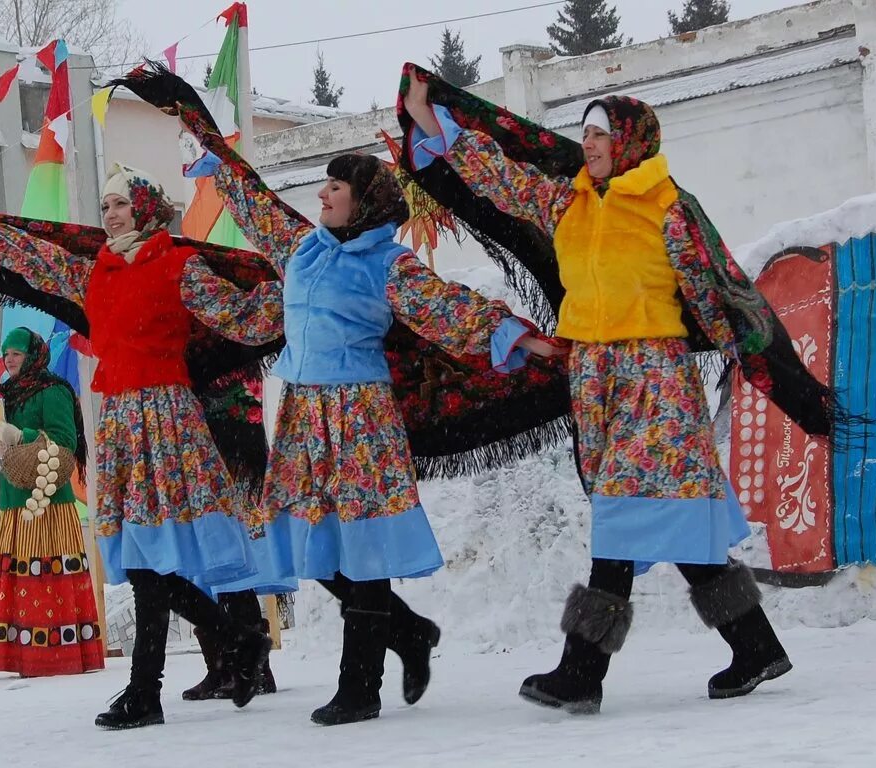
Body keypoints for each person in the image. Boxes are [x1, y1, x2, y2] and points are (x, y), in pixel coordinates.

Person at [117, 64, 565, 726]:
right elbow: (247, 193)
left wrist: (519, 338)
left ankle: (361, 683)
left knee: (359, 547)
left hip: (361, 416)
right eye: (324, 183)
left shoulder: (386, 262)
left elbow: (446, 307)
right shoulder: (302, 249)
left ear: (366, 201)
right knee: (305, 541)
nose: (323, 193)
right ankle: (409, 632)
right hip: (303, 414)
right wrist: (188, 115)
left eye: (336, 185)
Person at [400, 66, 850, 713]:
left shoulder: (666, 208)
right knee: (678, 531)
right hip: (599, 382)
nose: (588, 144)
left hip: (654, 385)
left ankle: (581, 671)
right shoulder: (570, 201)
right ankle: (756, 645)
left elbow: (711, 288)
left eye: (600, 134)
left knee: (619, 519)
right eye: (584, 134)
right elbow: (503, 180)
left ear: (630, 141)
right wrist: (433, 125)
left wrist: (743, 356)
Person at [0, 163, 284, 730]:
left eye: (120, 205)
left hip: (169, 422)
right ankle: (232, 644)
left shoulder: (181, 265)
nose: (110, 215)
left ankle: (159, 684)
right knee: (139, 561)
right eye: (105, 206)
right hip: (123, 425)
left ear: (146, 210)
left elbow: (241, 316)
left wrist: (299, 292)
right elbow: (35, 257)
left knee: (153, 561)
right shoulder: (95, 273)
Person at [0, 326, 104, 677]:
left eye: (17, 354)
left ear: (33, 356)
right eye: (6, 353)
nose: (9, 360)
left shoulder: (53, 390)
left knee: (48, 570)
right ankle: (24, 657)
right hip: (14, 497)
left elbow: (65, 440)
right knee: (21, 574)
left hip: (47, 499)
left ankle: (57, 656)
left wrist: (20, 434)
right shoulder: (5, 394)